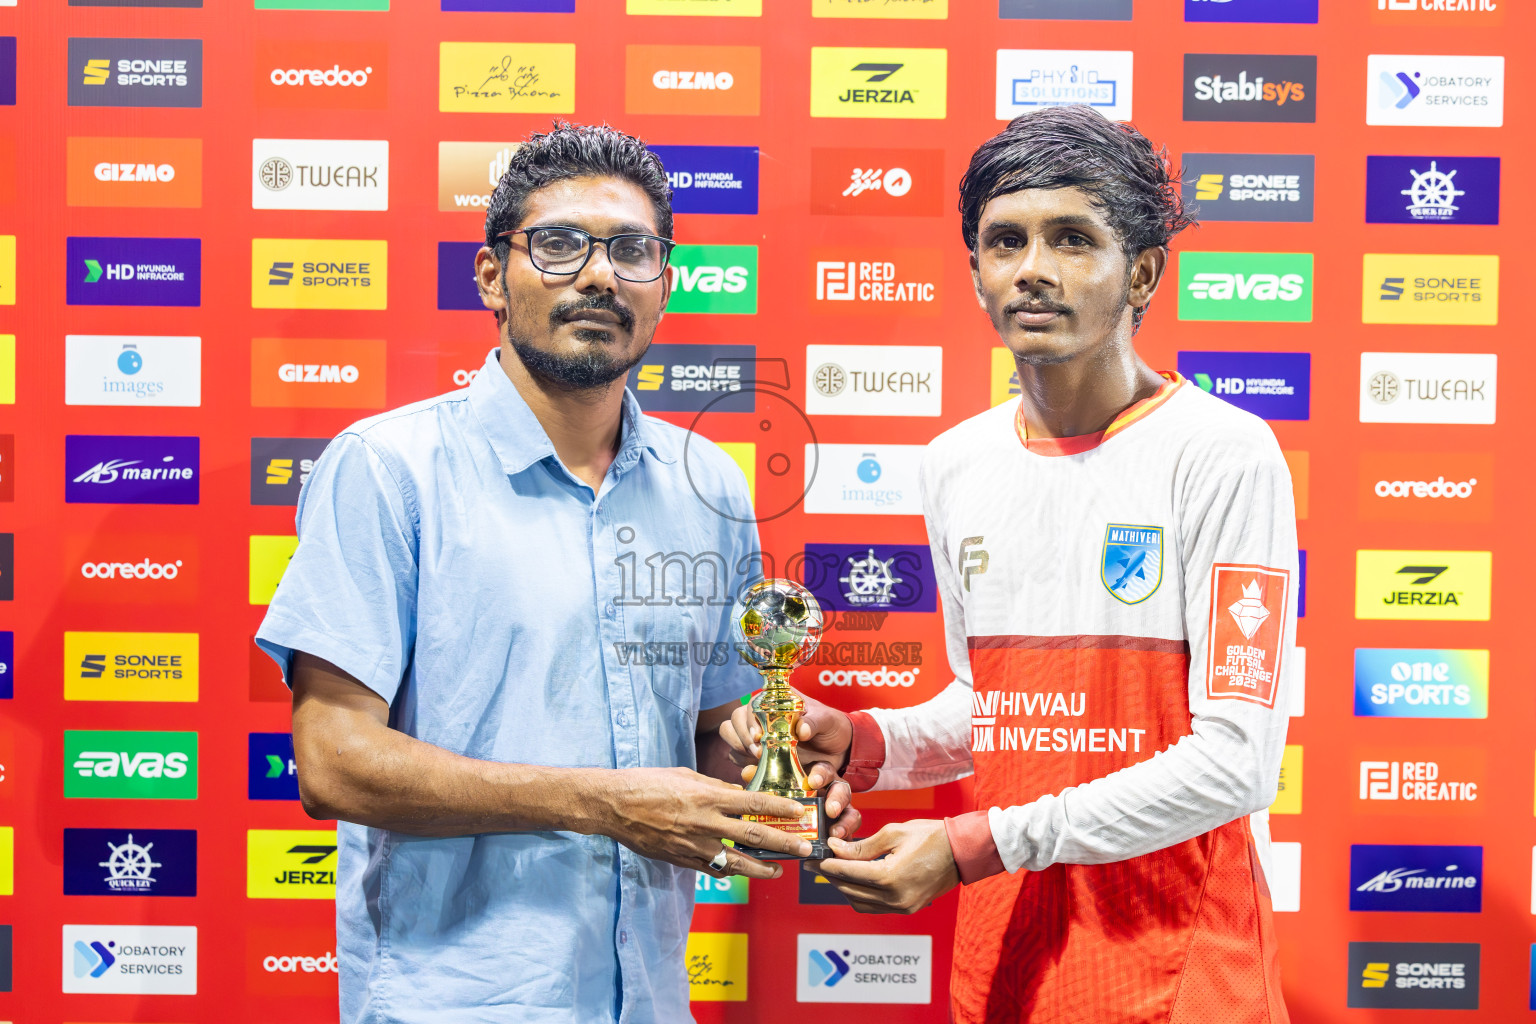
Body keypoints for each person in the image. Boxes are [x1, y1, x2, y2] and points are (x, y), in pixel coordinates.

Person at [256, 122, 856, 1024]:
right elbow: (334, 763)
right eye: (561, 244)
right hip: (450, 1003)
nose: (602, 274)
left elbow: (700, 744)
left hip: (647, 1000)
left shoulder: (710, 488)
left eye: (634, 251)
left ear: (664, 283)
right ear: (493, 275)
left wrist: (779, 784)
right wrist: (604, 805)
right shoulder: (389, 468)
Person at [725, 105, 1298, 1023]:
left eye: (1073, 239)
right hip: (1008, 964)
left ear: (1142, 270)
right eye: (1006, 241)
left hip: (1181, 970)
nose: (1033, 267)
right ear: (978, 272)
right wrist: (871, 742)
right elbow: (990, 708)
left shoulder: (1224, 454)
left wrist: (974, 844)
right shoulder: (958, 461)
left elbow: (1234, 763)